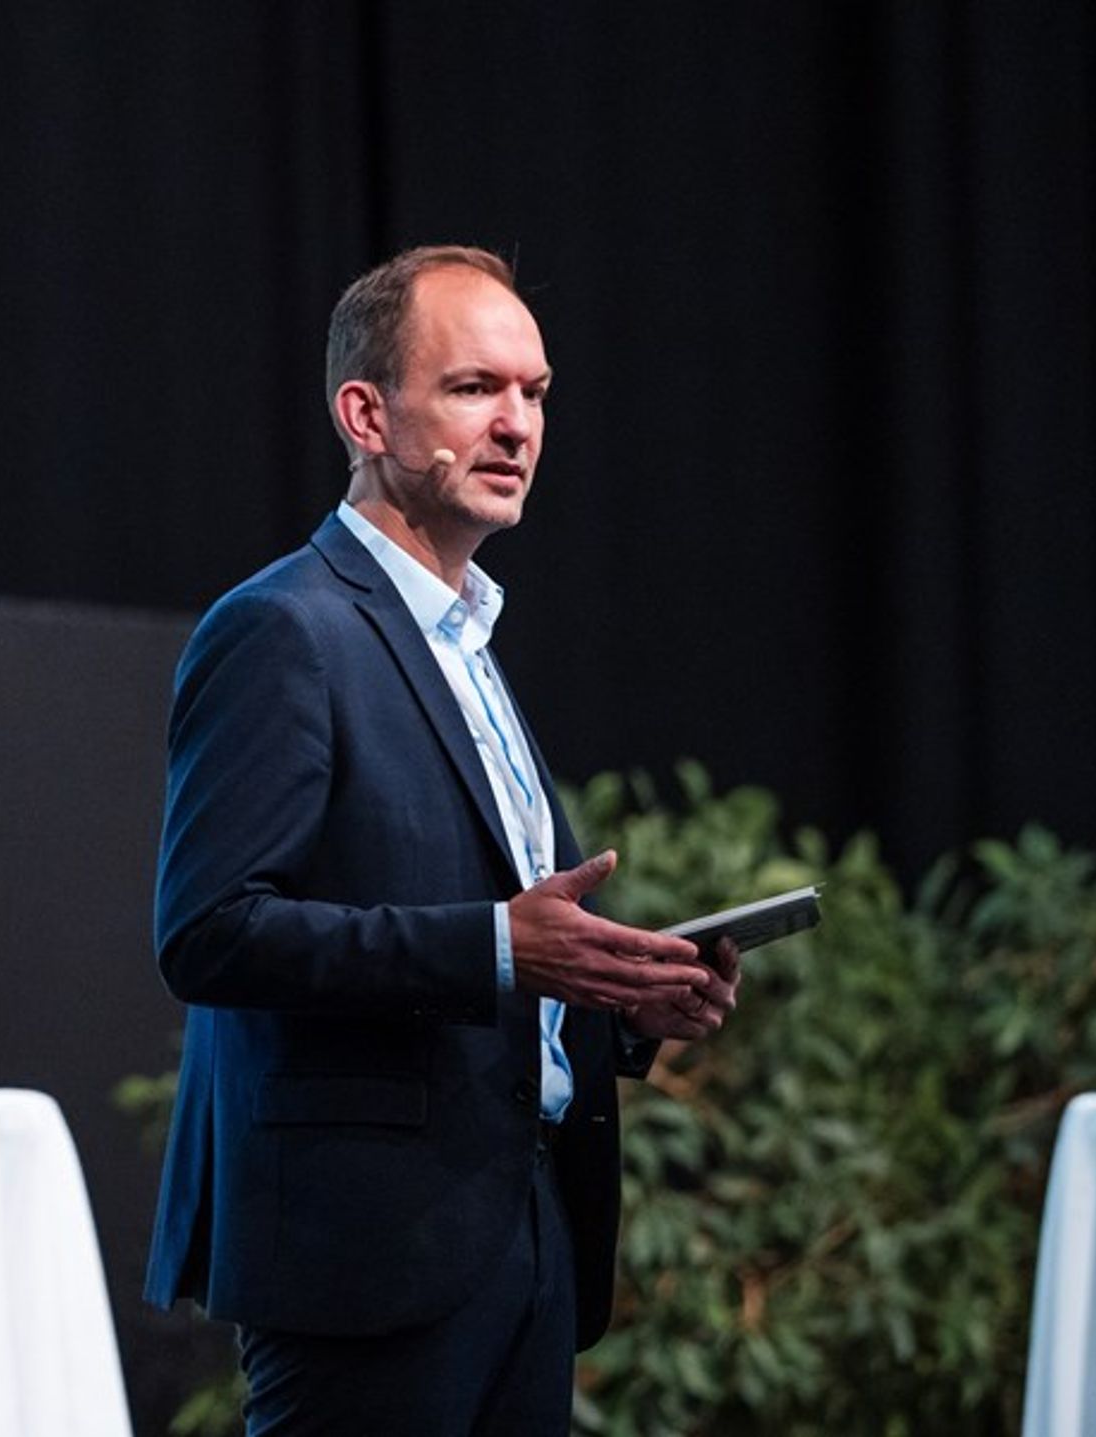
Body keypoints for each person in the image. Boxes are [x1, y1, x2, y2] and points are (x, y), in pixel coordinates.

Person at [143, 244, 742, 1435]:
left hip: (525, 1228)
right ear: (365, 412)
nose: (518, 424)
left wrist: (619, 998)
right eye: (476, 389)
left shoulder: (467, 644)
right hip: (364, 1251)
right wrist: (506, 951)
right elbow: (210, 933)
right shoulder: (282, 629)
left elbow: (501, 944)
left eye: (535, 393)